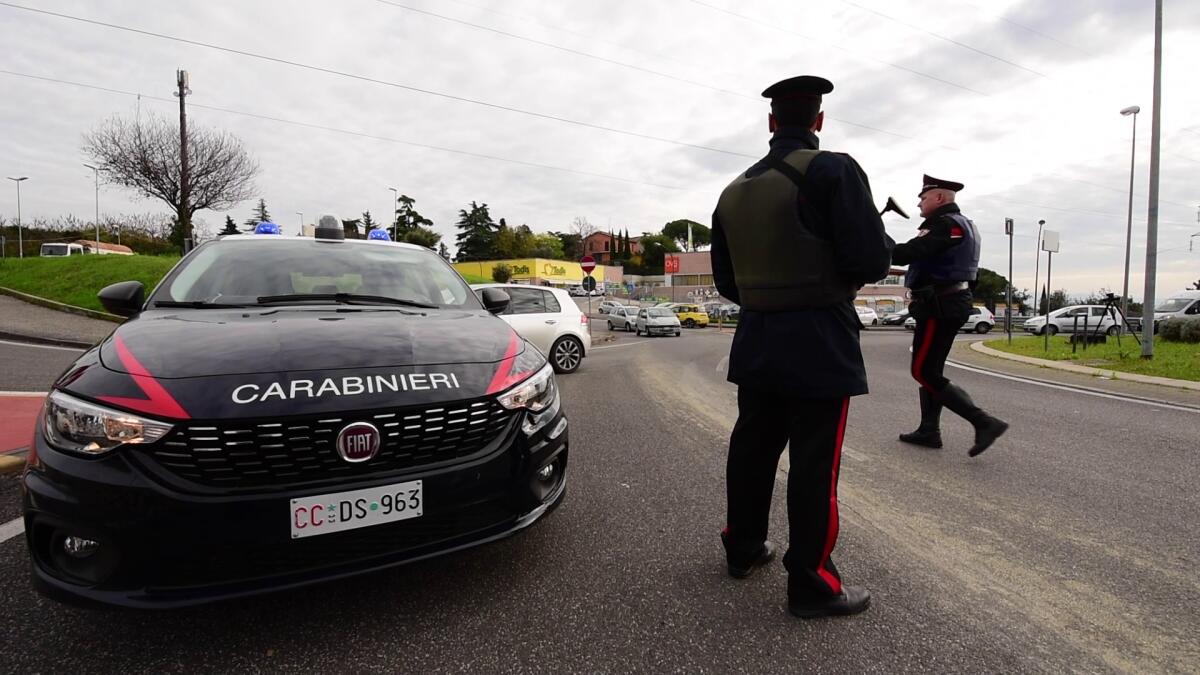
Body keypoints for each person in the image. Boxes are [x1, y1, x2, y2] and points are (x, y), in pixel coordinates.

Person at [710, 75, 893, 619]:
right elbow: (870, 261)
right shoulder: (834, 169)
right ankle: (812, 582)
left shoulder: (732, 191)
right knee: (814, 464)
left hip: (756, 335)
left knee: (752, 448)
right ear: (819, 120)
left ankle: (743, 547)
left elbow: (726, 281)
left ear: (771, 122)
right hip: (819, 337)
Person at [892, 176, 1008, 456]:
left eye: (923, 198)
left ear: (940, 198)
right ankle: (929, 430)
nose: (919, 203)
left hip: (939, 305)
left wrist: (874, 240)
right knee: (932, 370)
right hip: (949, 301)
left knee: (922, 371)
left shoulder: (945, 224)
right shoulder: (965, 224)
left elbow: (909, 253)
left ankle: (984, 422)